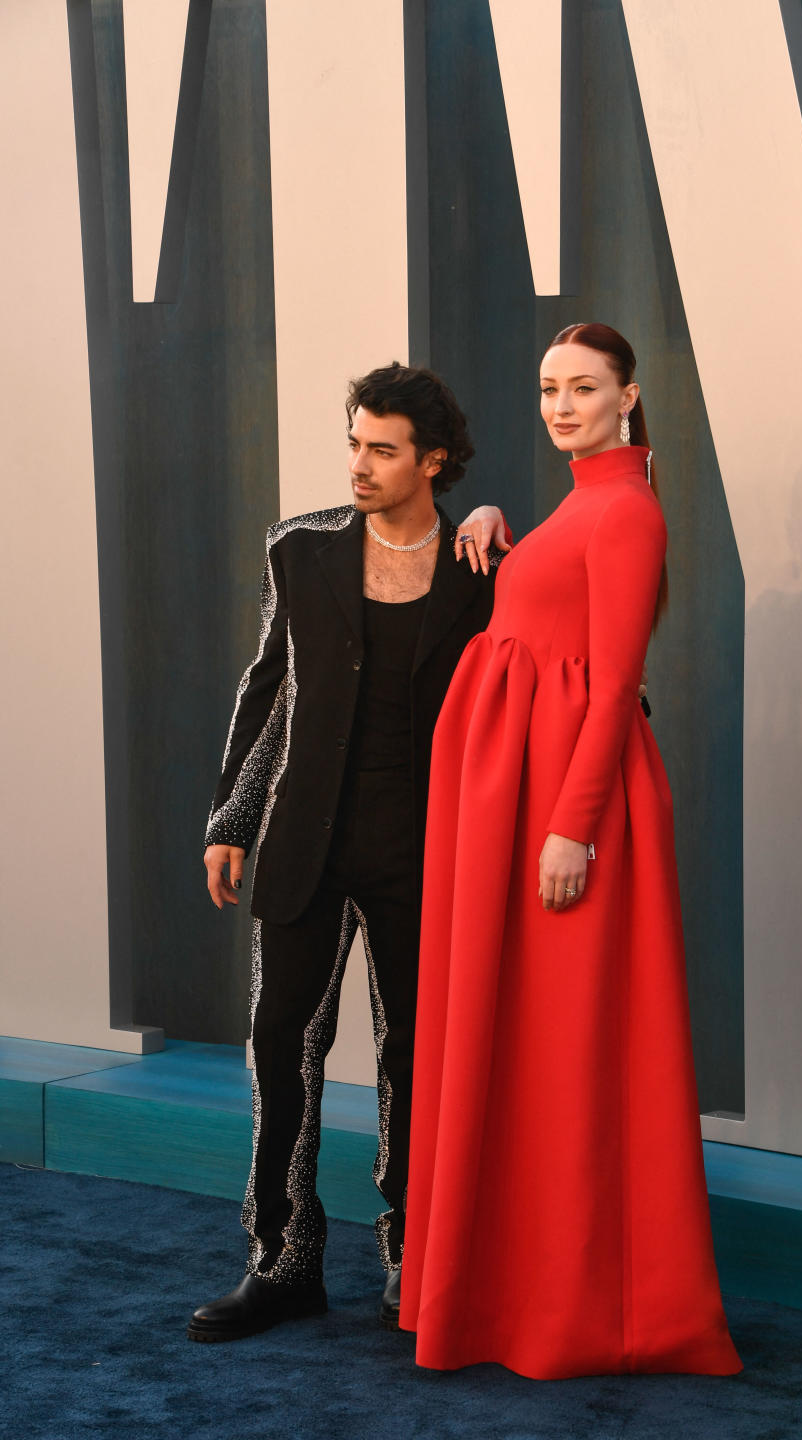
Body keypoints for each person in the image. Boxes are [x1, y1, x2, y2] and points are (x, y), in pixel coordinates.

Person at [399, 323, 742, 1379]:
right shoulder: (588, 500)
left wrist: (571, 829)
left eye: (583, 388)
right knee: (527, 1047)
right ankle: (509, 1292)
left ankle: (574, 1306)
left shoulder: (630, 511)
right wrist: (507, 532)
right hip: (520, 805)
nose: (561, 405)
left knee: (565, 1053)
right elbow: (559, 607)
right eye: (549, 387)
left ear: (629, 394)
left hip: (561, 812)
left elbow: (614, 681)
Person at [188, 362, 512, 1342]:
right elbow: (268, 688)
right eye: (355, 444)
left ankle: (415, 1258)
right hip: (303, 845)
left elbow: (531, 681)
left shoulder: (480, 568)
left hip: (427, 854)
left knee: (414, 1062)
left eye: (383, 449)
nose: (360, 465)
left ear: (433, 461)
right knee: (280, 1049)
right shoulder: (302, 550)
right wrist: (230, 819)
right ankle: (282, 1260)